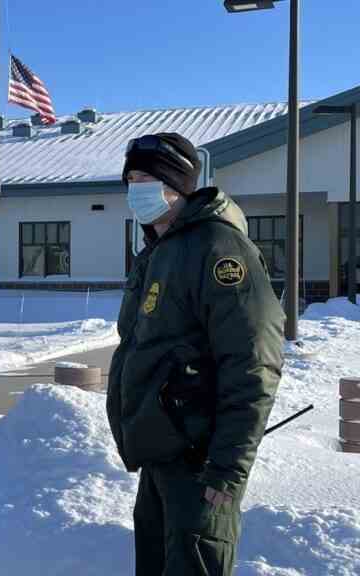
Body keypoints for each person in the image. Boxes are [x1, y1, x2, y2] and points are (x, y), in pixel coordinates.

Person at [106, 133, 284, 575]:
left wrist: (228, 466)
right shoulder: (161, 250)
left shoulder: (218, 249)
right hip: (163, 455)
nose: (135, 188)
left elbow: (253, 363)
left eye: (146, 177)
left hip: (202, 465)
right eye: (130, 178)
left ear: (176, 184)